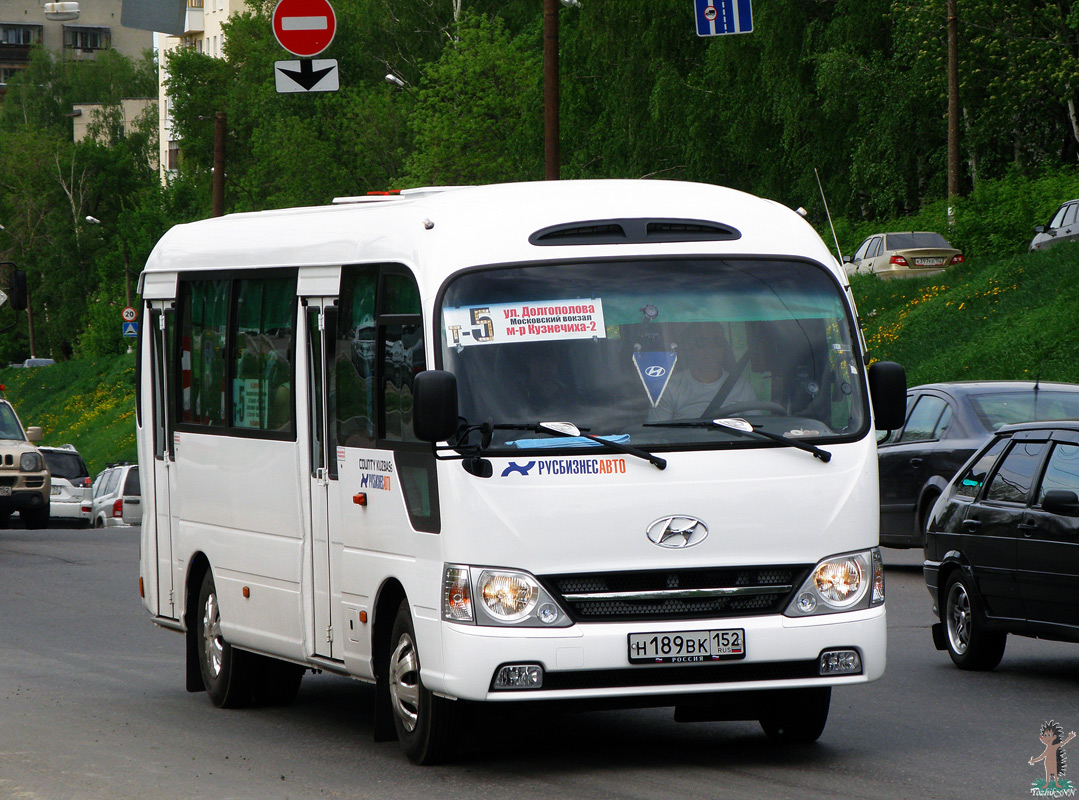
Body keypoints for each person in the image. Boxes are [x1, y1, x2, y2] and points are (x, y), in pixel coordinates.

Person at [648, 322, 758, 421]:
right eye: (701, 342)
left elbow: (757, 431)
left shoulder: (742, 388)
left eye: (717, 342)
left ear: (724, 348)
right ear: (688, 348)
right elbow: (657, 435)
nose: (710, 348)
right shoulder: (669, 389)